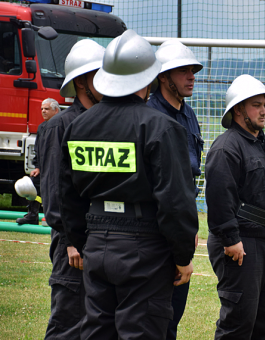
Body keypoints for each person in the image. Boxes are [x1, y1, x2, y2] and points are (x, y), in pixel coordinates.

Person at [59, 30, 198, 339]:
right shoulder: (161, 127)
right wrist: (182, 255)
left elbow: (67, 193)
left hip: (96, 244)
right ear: (149, 79)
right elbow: (175, 200)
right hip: (144, 248)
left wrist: (82, 241)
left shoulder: (78, 126)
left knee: (98, 331)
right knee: (142, 330)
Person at [204, 74, 265, 340]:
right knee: (239, 321)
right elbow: (220, 197)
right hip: (241, 242)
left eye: (264, 104)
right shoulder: (226, 147)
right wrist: (231, 239)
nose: (264, 110)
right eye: (256, 105)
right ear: (238, 109)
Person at [37, 40, 105, 340]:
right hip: (73, 247)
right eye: (98, 74)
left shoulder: (105, 122)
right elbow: (53, 192)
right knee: (69, 322)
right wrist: (70, 241)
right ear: (80, 81)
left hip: (103, 238)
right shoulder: (60, 126)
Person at [147, 39, 204, 339]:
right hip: (154, 229)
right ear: (163, 76)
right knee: (152, 315)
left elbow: (190, 175)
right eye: (183, 70)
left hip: (182, 223)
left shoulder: (189, 113)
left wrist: (189, 226)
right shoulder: (149, 114)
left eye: (193, 70)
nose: (191, 76)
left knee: (173, 314)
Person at [16, 98, 59, 225]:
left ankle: (53, 216)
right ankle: (32, 215)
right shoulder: (42, 127)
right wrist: (38, 167)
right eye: (42, 109)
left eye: (46, 109)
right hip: (44, 168)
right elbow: (38, 149)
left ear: (55, 110)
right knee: (29, 185)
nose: (43, 111)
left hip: (59, 168)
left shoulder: (62, 125)